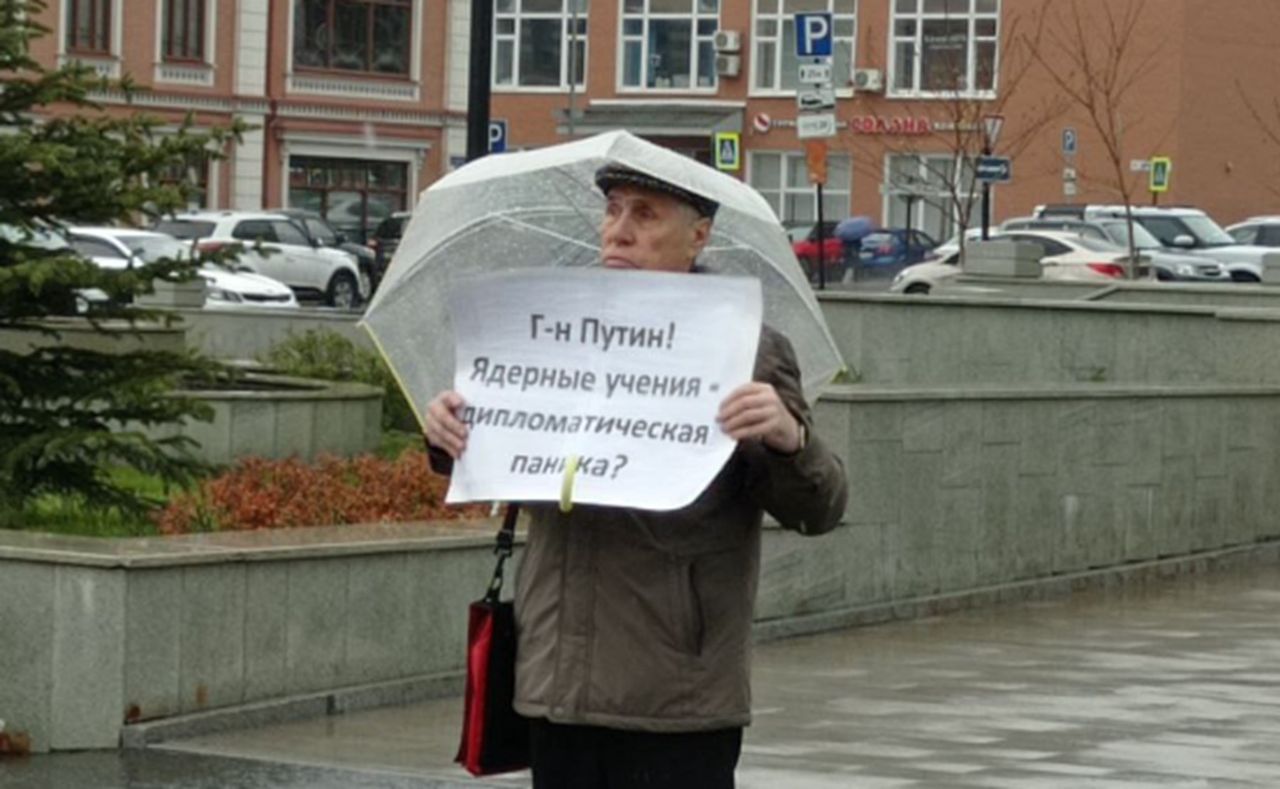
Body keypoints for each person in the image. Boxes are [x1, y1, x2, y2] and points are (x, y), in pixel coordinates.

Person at [425, 164, 848, 789]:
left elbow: (820, 509)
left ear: (698, 236)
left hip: (675, 697)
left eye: (644, 215)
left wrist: (789, 440)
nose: (618, 231)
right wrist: (449, 434)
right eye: (613, 210)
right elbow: (513, 467)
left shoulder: (745, 350)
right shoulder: (548, 334)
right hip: (556, 685)